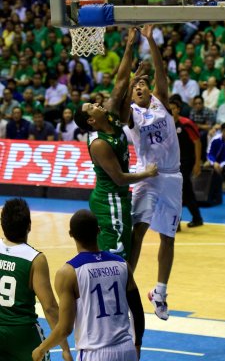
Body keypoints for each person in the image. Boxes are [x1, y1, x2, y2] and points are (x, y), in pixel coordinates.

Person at [74, 28, 158, 261]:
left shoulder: (109, 117)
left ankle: (122, 290)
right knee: (116, 255)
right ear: (91, 120)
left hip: (118, 197)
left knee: (125, 247)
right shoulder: (99, 143)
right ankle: (117, 292)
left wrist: (130, 44)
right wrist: (147, 173)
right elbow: (120, 178)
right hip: (109, 199)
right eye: (92, 107)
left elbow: (120, 83)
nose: (97, 104)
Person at [32, 209, 145, 361]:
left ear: (71, 234)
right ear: (98, 231)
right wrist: (136, 345)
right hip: (126, 350)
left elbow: (65, 328)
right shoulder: (122, 264)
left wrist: (41, 349)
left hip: (95, 353)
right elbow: (137, 312)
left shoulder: (68, 273)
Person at [126, 25, 183, 321]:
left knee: (169, 237)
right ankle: (124, 284)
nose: (140, 87)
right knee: (138, 231)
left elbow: (161, 72)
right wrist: (131, 71)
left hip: (173, 176)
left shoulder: (161, 101)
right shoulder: (130, 115)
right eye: (135, 86)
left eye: (143, 84)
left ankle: (159, 291)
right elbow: (124, 89)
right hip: (147, 176)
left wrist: (150, 41)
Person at [0, 198, 72, 361]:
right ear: (29, 226)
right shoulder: (35, 259)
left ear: (2, 224)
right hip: (23, 333)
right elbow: (50, 308)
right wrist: (65, 348)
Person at [169, 95, 203, 228]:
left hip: (187, 161)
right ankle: (196, 217)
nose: (171, 111)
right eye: (169, 109)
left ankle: (176, 223)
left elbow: (197, 142)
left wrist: (197, 163)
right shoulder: (166, 124)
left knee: (179, 190)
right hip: (173, 162)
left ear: (178, 109)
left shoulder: (187, 124)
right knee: (185, 191)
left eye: (173, 108)